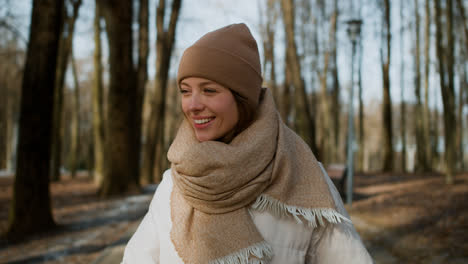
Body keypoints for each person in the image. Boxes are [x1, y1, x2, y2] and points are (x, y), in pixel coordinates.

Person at [122, 23, 373, 264]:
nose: (193, 105)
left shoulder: (304, 178)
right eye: (186, 91)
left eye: (209, 90)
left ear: (243, 98)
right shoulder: (175, 182)